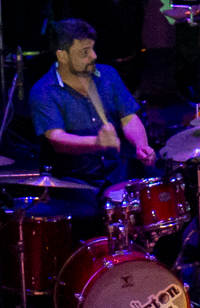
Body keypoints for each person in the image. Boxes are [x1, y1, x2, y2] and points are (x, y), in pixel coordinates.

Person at [28, 18, 157, 189]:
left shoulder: (108, 75)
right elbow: (57, 139)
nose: (94, 56)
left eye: (92, 49)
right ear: (63, 56)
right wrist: (96, 142)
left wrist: (141, 145)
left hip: (115, 173)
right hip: (73, 182)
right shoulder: (43, 91)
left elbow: (128, 118)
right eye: (84, 52)